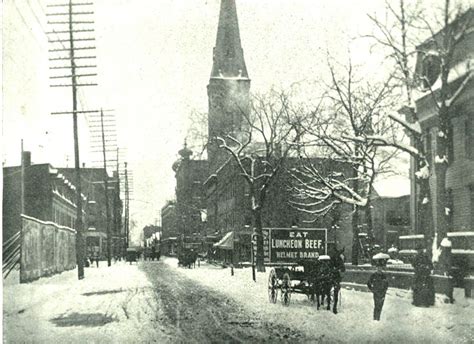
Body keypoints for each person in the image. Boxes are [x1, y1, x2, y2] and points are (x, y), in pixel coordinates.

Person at [367, 253, 389, 321]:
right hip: (376, 292)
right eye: (378, 268)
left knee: (380, 306)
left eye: (380, 268)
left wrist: (384, 291)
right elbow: (368, 283)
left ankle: (378, 318)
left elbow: (386, 284)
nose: (379, 269)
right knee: (376, 306)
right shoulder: (373, 275)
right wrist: (372, 289)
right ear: (376, 268)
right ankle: (375, 318)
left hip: (382, 293)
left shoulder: (383, 276)